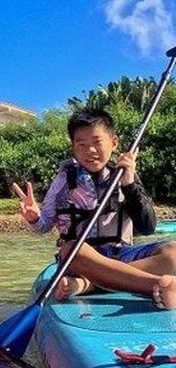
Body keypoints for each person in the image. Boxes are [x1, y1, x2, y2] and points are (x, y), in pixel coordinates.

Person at [13, 107, 176, 310]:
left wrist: (129, 184)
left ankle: (88, 285)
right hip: (81, 261)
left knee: (173, 251)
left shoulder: (125, 174)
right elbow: (43, 225)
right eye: (81, 145)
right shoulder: (64, 180)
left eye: (97, 142)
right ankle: (153, 286)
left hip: (120, 254)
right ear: (73, 148)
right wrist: (34, 217)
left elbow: (147, 227)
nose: (90, 150)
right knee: (70, 249)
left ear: (113, 143)